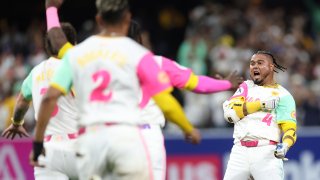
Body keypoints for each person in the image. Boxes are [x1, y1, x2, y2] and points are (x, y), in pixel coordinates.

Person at [31, 0, 201, 179]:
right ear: (127, 18)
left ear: (99, 20)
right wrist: (188, 128)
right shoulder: (139, 55)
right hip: (125, 139)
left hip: (92, 142)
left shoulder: (77, 54)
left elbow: (50, 96)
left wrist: (51, 10)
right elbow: (165, 102)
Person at [128, 20, 243, 180]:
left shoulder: (103, 67)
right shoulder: (157, 63)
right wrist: (226, 83)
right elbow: (196, 84)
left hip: (112, 135)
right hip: (147, 137)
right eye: (146, 41)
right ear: (139, 41)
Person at [1, 23, 79, 179]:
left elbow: (22, 100)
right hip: (77, 147)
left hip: (46, 150)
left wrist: (16, 123)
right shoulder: (75, 67)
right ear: (73, 44)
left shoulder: (35, 72)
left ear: (47, 47)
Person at [222, 51, 297, 180]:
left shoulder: (283, 95)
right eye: (252, 64)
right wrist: (261, 105)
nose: (255, 66)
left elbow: (290, 128)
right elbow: (230, 114)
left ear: (271, 67)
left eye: (260, 63)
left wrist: (285, 145)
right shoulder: (245, 87)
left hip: (267, 152)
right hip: (240, 151)